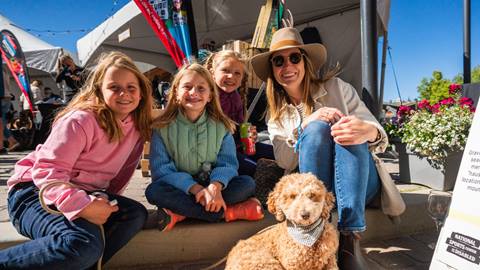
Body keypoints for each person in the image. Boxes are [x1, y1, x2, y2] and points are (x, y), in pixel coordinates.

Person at [250, 27, 400, 269]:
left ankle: (349, 241)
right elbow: (286, 162)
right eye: (279, 61)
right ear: (273, 71)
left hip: (358, 180)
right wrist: (305, 126)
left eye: (294, 57)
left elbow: (375, 130)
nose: (287, 66)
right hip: (315, 194)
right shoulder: (276, 117)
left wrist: (367, 130)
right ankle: (319, 229)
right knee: (317, 128)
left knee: (347, 130)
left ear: (305, 61)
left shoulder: (337, 87)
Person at [0, 51, 154, 269]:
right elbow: (47, 170)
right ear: (99, 90)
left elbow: (119, 177)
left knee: (133, 214)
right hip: (34, 193)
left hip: (82, 192)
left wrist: (101, 204)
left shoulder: (137, 126)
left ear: (141, 93)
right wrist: (82, 207)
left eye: (131, 87)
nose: (124, 93)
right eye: (114, 87)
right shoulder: (81, 120)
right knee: (83, 243)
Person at [145, 63, 263, 231]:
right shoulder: (162, 128)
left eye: (201, 89)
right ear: (176, 92)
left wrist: (215, 187)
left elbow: (228, 164)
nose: (194, 93)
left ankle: (180, 213)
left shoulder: (222, 127)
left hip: (214, 188)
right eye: (187, 87)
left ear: (210, 96)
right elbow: (162, 170)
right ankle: (228, 212)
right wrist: (195, 189)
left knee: (246, 183)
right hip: (181, 189)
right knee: (154, 191)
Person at [205, 50, 274, 177]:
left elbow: (240, 126)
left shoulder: (236, 96)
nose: (231, 76)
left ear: (242, 78)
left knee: (275, 153)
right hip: (219, 152)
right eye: (225, 70)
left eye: (237, 73)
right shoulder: (207, 97)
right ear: (212, 73)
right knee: (253, 169)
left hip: (238, 146)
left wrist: (250, 134)